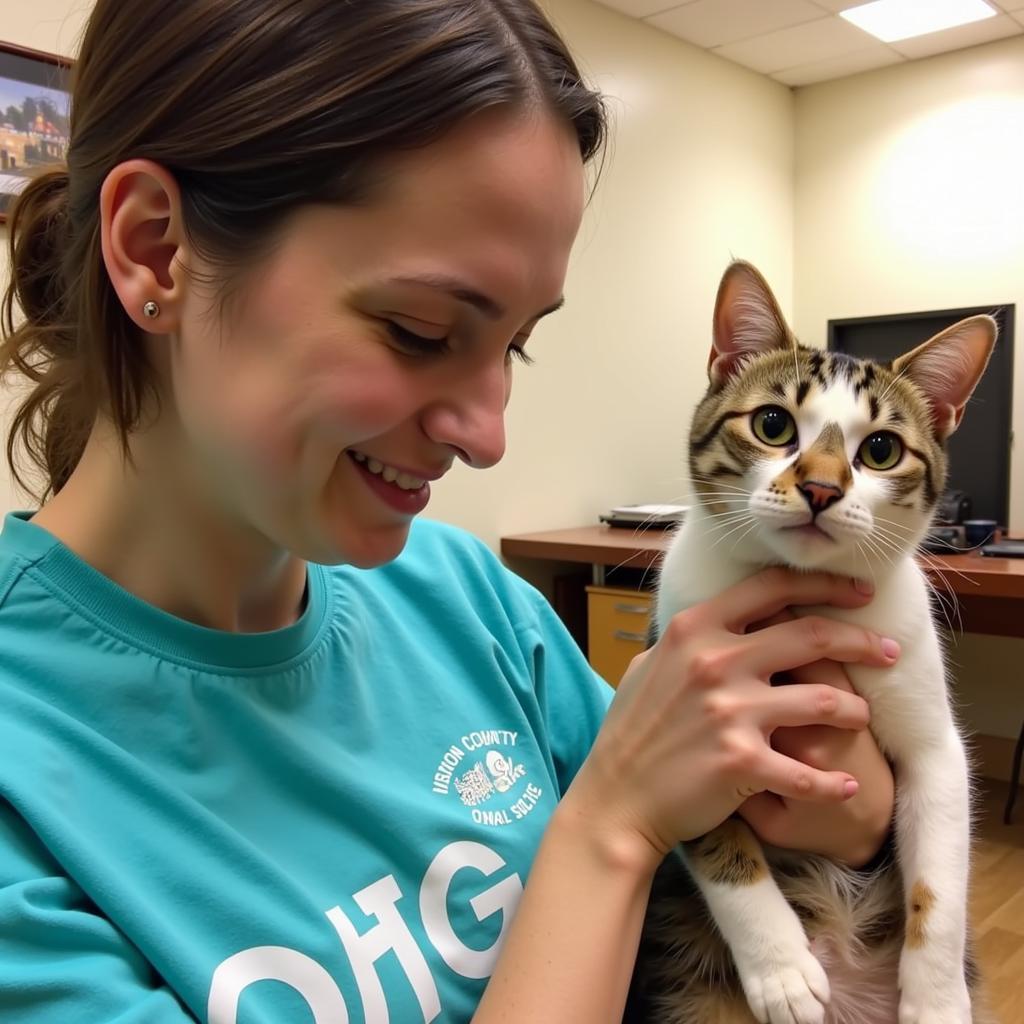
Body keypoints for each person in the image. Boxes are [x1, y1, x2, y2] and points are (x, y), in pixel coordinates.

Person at [0, 1, 897, 1020]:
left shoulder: (467, 599)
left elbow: (744, 851)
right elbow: (635, 814)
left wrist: (857, 817)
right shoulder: (25, 754)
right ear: (158, 249)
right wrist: (607, 828)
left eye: (511, 344)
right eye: (418, 329)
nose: (487, 435)